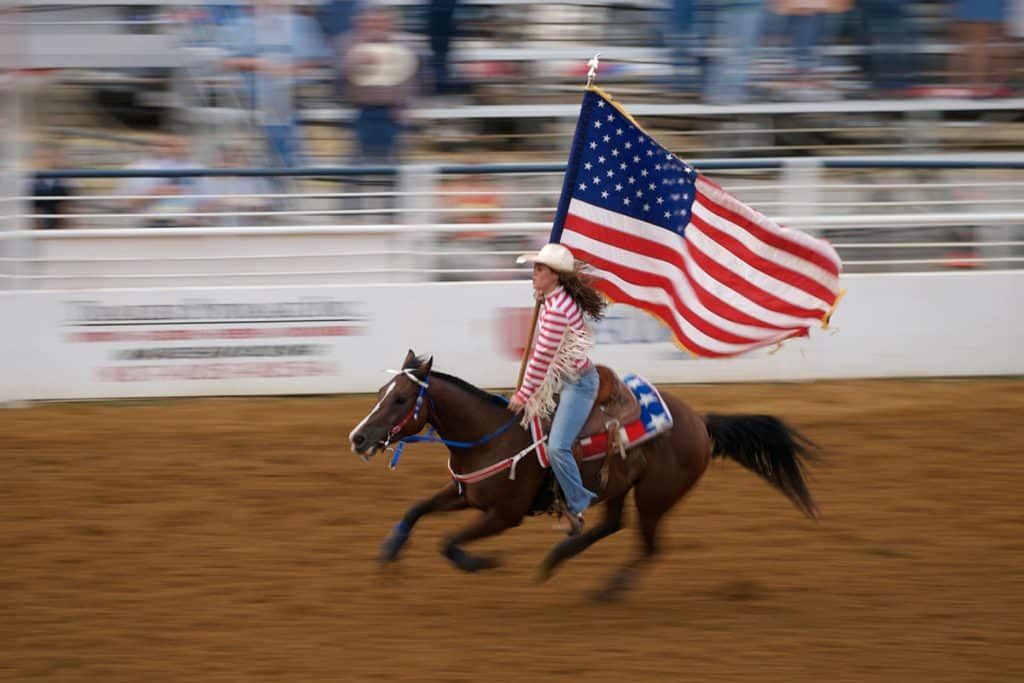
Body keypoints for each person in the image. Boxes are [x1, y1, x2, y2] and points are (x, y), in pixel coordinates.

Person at [508, 243, 607, 536]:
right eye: (535, 269)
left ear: (554, 276)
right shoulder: (555, 299)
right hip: (563, 378)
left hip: (578, 383)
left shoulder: (557, 310)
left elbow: (541, 358)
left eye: (539, 269)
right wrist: (539, 295)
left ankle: (577, 503)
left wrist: (524, 394)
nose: (533, 274)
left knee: (557, 446)